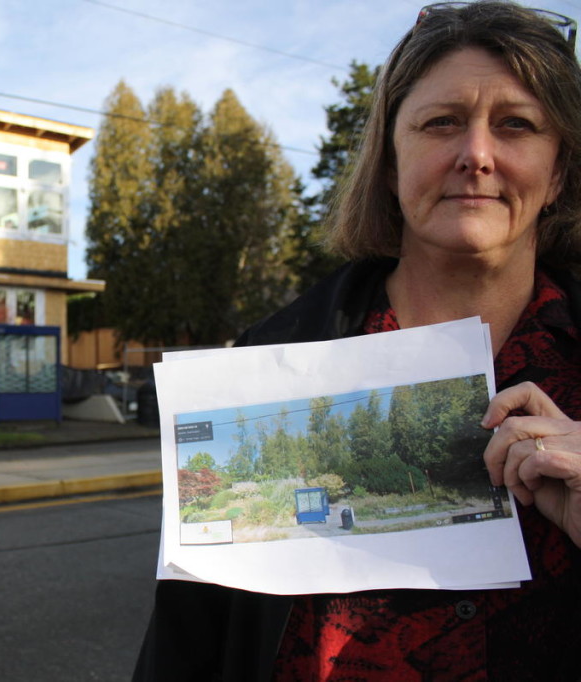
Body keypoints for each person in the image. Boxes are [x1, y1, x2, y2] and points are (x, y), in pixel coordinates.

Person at [133, 2, 581, 680]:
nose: (476, 155)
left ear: (559, 172)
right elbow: (189, 643)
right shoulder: (263, 371)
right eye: (442, 123)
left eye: (516, 125)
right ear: (390, 159)